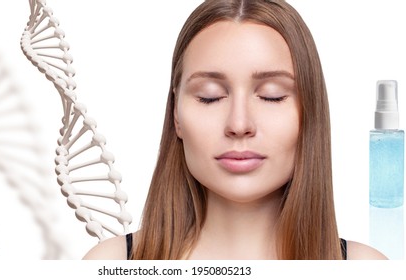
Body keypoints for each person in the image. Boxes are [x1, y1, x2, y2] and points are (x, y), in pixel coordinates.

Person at [84, 0, 386, 260]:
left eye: (271, 95)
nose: (239, 125)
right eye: (210, 96)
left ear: (309, 113)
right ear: (176, 114)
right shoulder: (109, 263)